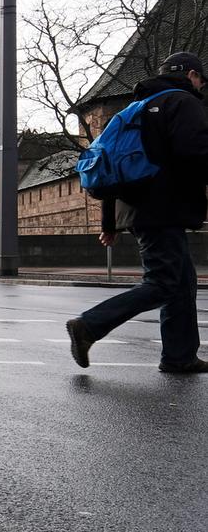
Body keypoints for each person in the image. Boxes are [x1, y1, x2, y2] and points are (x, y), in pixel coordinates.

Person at [67, 52, 208, 373]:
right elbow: (195, 153)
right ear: (190, 74)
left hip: (141, 209)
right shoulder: (183, 103)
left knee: (182, 282)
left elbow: (112, 165)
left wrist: (109, 221)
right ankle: (89, 326)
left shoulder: (136, 108)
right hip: (164, 208)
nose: (201, 85)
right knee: (162, 283)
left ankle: (179, 355)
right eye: (201, 78)